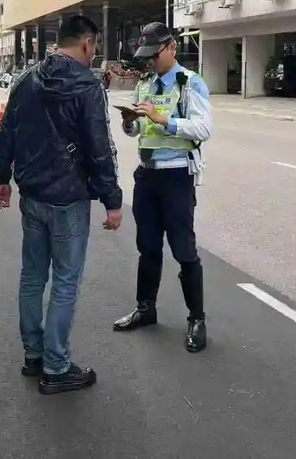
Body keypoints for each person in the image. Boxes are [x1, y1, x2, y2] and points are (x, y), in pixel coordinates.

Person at [0, 14, 123, 396]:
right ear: (86, 42)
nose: (94, 52)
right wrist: (112, 201)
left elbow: (7, 130)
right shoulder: (87, 86)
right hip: (69, 200)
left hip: (32, 195)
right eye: (95, 45)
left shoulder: (26, 80)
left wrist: (2, 177)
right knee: (65, 282)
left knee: (33, 277)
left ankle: (34, 356)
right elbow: (99, 149)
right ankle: (57, 366)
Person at [114, 21, 213, 353]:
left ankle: (196, 319)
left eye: (154, 55)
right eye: (146, 57)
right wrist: (130, 122)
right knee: (148, 246)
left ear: (171, 47)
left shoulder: (190, 83)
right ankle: (146, 308)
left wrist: (164, 120)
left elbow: (203, 128)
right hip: (147, 175)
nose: (150, 62)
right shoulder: (145, 83)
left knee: (184, 250)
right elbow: (138, 130)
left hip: (176, 178)